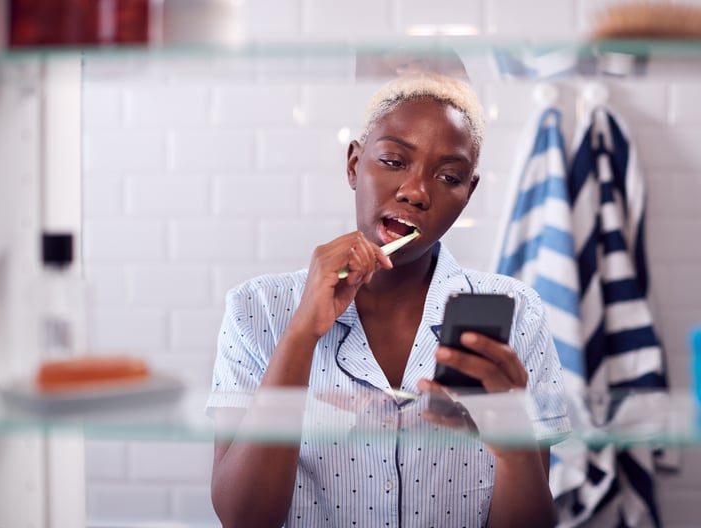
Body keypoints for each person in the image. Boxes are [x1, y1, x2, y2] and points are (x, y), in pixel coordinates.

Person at [207, 73, 570, 528]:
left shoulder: (519, 314)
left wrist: (513, 446)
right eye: (394, 161)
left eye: (449, 176)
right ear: (354, 164)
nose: (416, 191)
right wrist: (301, 333)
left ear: (468, 193)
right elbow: (244, 519)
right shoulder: (257, 308)